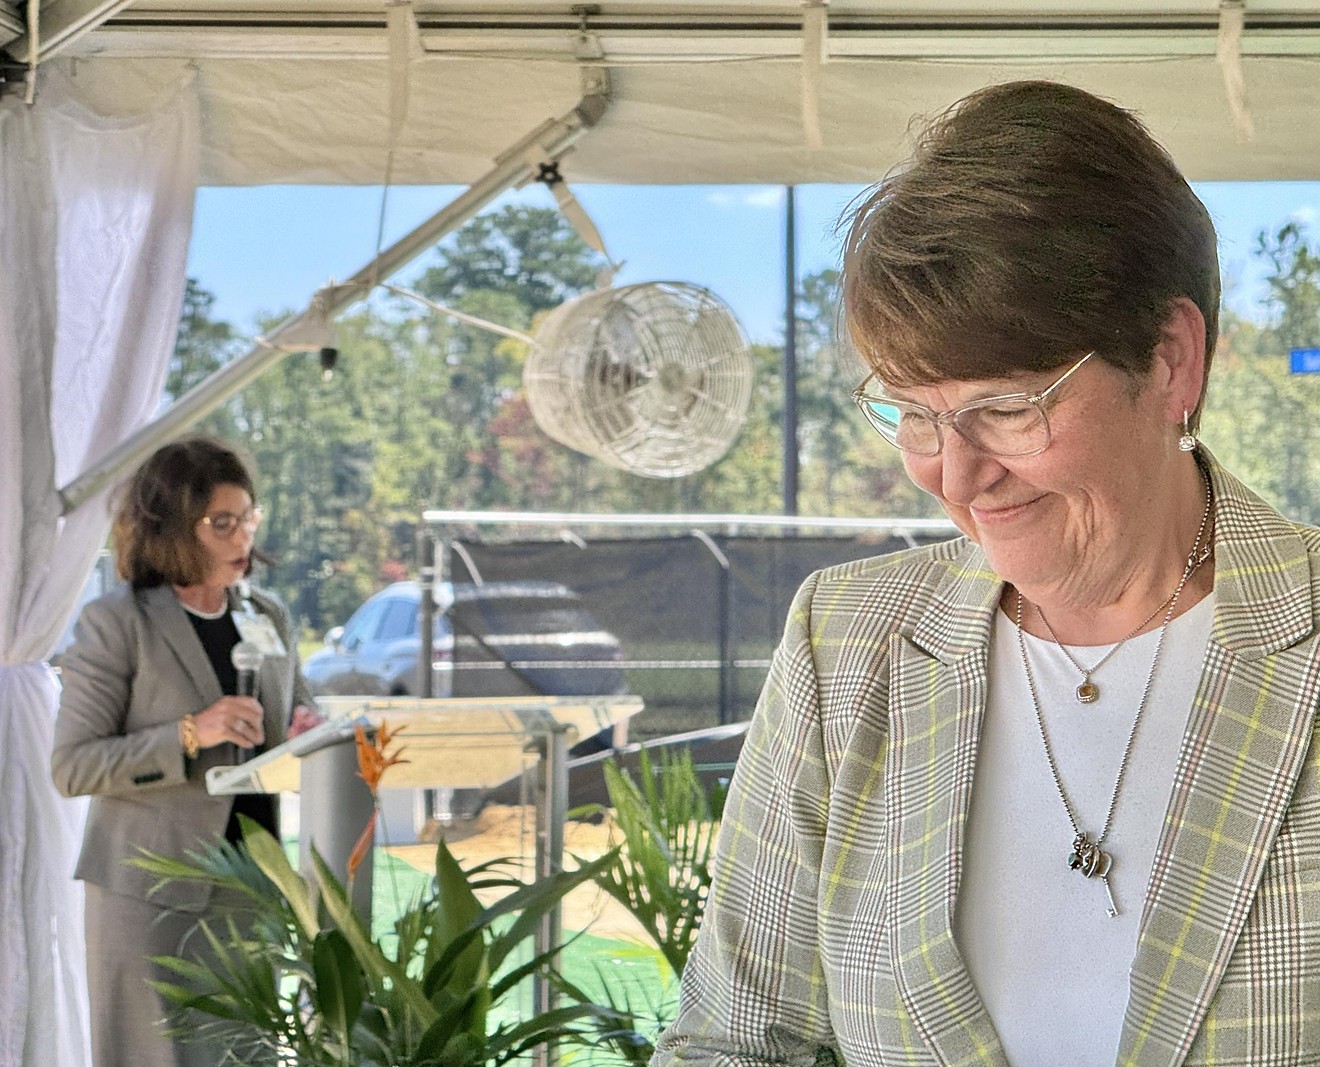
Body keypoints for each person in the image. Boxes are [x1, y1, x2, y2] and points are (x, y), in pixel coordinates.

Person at [653, 80, 1320, 1066]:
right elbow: (737, 1040)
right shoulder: (847, 644)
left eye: (1009, 407)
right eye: (915, 412)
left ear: (1172, 360)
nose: (957, 476)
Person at [52, 437, 320, 1067]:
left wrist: (309, 731)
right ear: (173, 527)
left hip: (250, 887)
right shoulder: (117, 623)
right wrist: (190, 732)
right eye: (221, 523)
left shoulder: (270, 616)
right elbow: (73, 767)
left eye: (248, 518)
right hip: (148, 895)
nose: (241, 537)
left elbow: (292, 722)